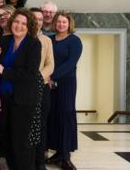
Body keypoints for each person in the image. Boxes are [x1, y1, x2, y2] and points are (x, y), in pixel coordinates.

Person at [0, 8, 41, 170]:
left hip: (23, 101)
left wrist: (4, 71)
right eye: (16, 22)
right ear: (11, 22)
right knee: (7, 143)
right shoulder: (3, 41)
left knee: (21, 144)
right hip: (4, 99)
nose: (19, 26)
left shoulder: (34, 44)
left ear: (29, 26)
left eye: (23, 23)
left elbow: (30, 73)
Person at [47, 12, 83, 170]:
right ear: (55, 23)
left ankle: (66, 156)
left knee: (65, 115)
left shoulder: (74, 41)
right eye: (59, 21)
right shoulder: (50, 40)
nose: (61, 24)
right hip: (49, 84)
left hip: (66, 83)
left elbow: (70, 63)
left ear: (69, 24)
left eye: (64, 22)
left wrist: (52, 76)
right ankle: (58, 152)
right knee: (52, 115)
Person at [30, 8, 55, 170]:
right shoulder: (19, 37)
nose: (38, 21)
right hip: (23, 89)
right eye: (34, 18)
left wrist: (37, 78)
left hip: (41, 87)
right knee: (25, 126)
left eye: (40, 19)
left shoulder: (46, 40)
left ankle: (40, 161)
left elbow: (50, 64)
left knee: (41, 126)